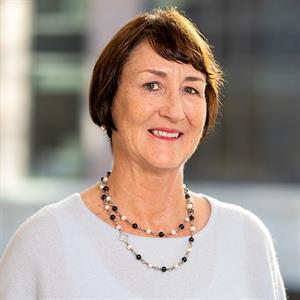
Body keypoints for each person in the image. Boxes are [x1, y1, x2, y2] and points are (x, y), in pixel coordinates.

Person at [0, 7, 287, 300]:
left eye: (190, 90)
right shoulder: (43, 243)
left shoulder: (247, 239)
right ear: (108, 98)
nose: (174, 111)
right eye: (152, 85)